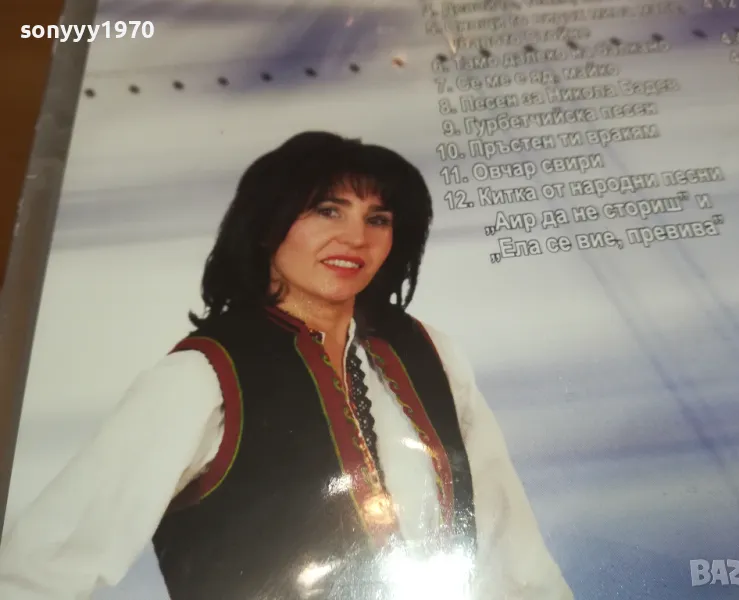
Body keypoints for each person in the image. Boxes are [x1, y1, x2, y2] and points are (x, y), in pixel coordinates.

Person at [0, 131, 572, 600]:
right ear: (268, 224)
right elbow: (40, 570)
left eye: (378, 218)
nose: (356, 237)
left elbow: (512, 547)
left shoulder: (428, 352)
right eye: (328, 210)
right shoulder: (203, 378)